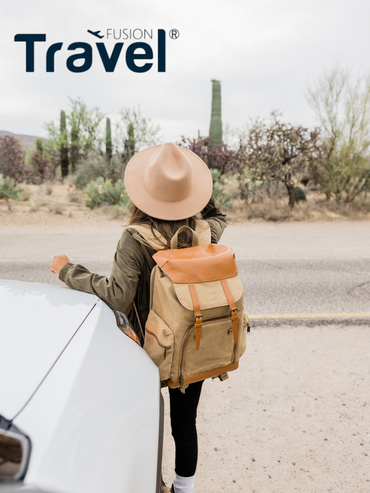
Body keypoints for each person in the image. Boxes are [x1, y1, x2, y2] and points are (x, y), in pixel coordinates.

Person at [49, 142, 227, 493]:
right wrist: (195, 190)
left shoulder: (135, 238)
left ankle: (149, 484)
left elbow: (117, 295)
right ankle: (183, 489)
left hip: (150, 344)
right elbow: (219, 215)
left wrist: (67, 270)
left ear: (144, 192)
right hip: (194, 340)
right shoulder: (205, 230)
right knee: (184, 421)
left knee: (145, 417)